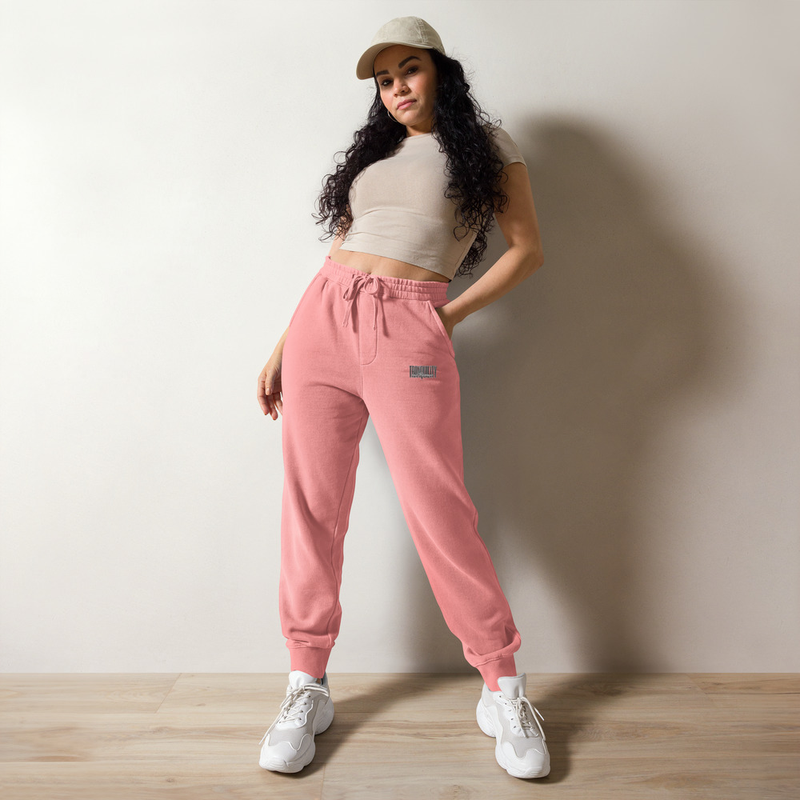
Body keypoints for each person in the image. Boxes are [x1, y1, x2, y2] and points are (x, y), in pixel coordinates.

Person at [255, 16, 549, 780]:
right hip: (322, 324)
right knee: (311, 506)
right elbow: (340, 251)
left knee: (439, 509)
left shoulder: (487, 146)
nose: (396, 89)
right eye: (384, 81)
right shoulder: (377, 154)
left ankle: (503, 687)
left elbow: (527, 249)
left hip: (409, 327)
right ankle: (306, 684)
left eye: (408, 70)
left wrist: (444, 317)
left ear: (440, 70)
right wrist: (285, 344)